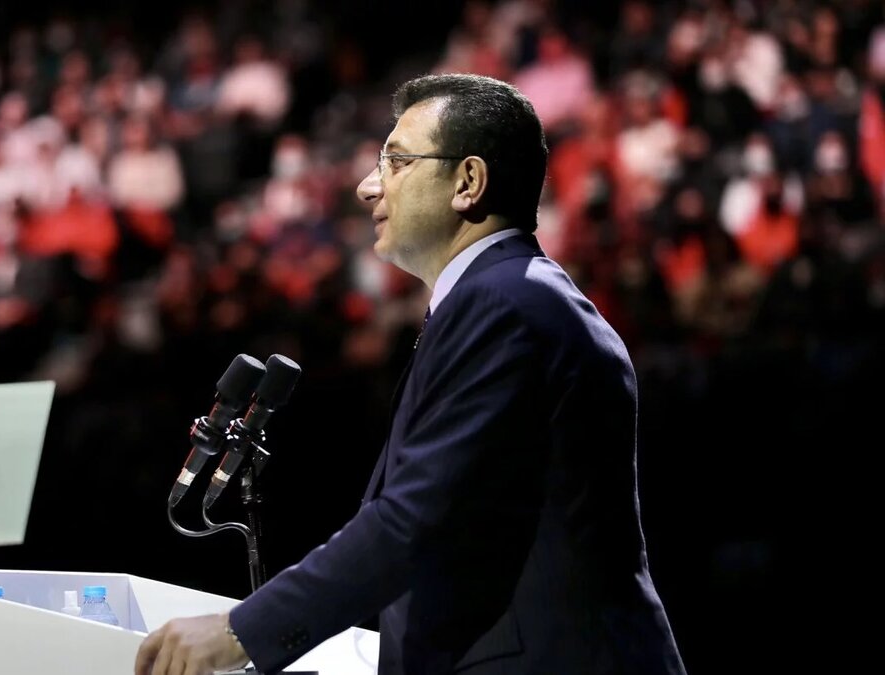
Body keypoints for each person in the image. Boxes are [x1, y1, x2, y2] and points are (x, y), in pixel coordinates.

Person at [135, 73, 687, 675]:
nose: (367, 186)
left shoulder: (506, 304)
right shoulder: (509, 298)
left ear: (468, 182)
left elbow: (416, 519)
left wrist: (240, 632)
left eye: (396, 162)